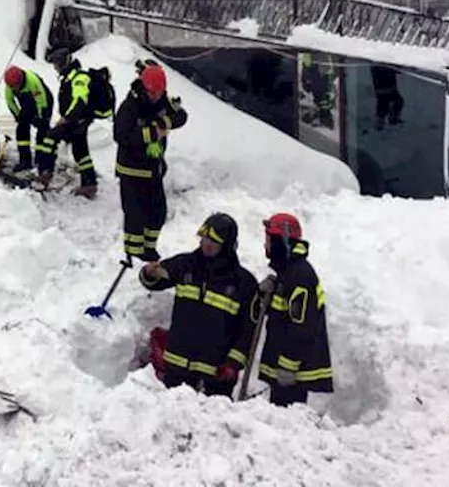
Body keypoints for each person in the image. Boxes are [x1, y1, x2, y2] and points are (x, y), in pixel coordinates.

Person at [139, 213, 259, 396]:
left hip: (216, 374)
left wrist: (233, 365)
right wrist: (149, 273)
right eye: (204, 238)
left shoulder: (244, 283)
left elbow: (247, 330)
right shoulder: (186, 265)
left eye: (214, 241)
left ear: (227, 245)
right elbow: (155, 279)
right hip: (177, 366)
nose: (207, 244)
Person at [257, 212, 334, 407]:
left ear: (280, 241)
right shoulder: (287, 273)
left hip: (292, 373)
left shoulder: (300, 275)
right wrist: (264, 295)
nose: (265, 245)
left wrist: (288, 365)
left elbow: (302, 326)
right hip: (285, 368)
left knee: (286, 421)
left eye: (268, 240)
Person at [113, 60, 186, 261]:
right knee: (135, 216)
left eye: (159, 93)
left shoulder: (163, 101)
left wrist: (166, 122)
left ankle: (148, 248)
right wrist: (153, 133)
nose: (155, 97)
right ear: (144, 87)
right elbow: (121, 135)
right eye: (152, 93)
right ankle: (133, 255)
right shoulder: (129, 106)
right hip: (131, 170)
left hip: (154, 169)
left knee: (157, 213)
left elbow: (181, 115)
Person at [47, 52, 110, 198]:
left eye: (56, 65)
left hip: (76, 120)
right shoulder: (70, 77)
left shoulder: (79, 78)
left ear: (63, 63)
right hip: (78, 120)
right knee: (81, 152)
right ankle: (89, 184)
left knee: (49, 138)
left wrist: (66, 118)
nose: (55, 68)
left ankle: (45, 174)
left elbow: (79, 100)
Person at [3, 65, 55, 183]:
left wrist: (41, 117)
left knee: (43, 131)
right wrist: (18, 116)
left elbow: (41, 100)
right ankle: (25, 160)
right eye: (12, 87)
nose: (14, 89)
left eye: (15, 86)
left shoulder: (32, 82)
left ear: (20, 81)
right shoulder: (9, 87)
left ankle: (40, 161)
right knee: (21, 129)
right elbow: (10, 101)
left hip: (44, 101)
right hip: (27, 104)